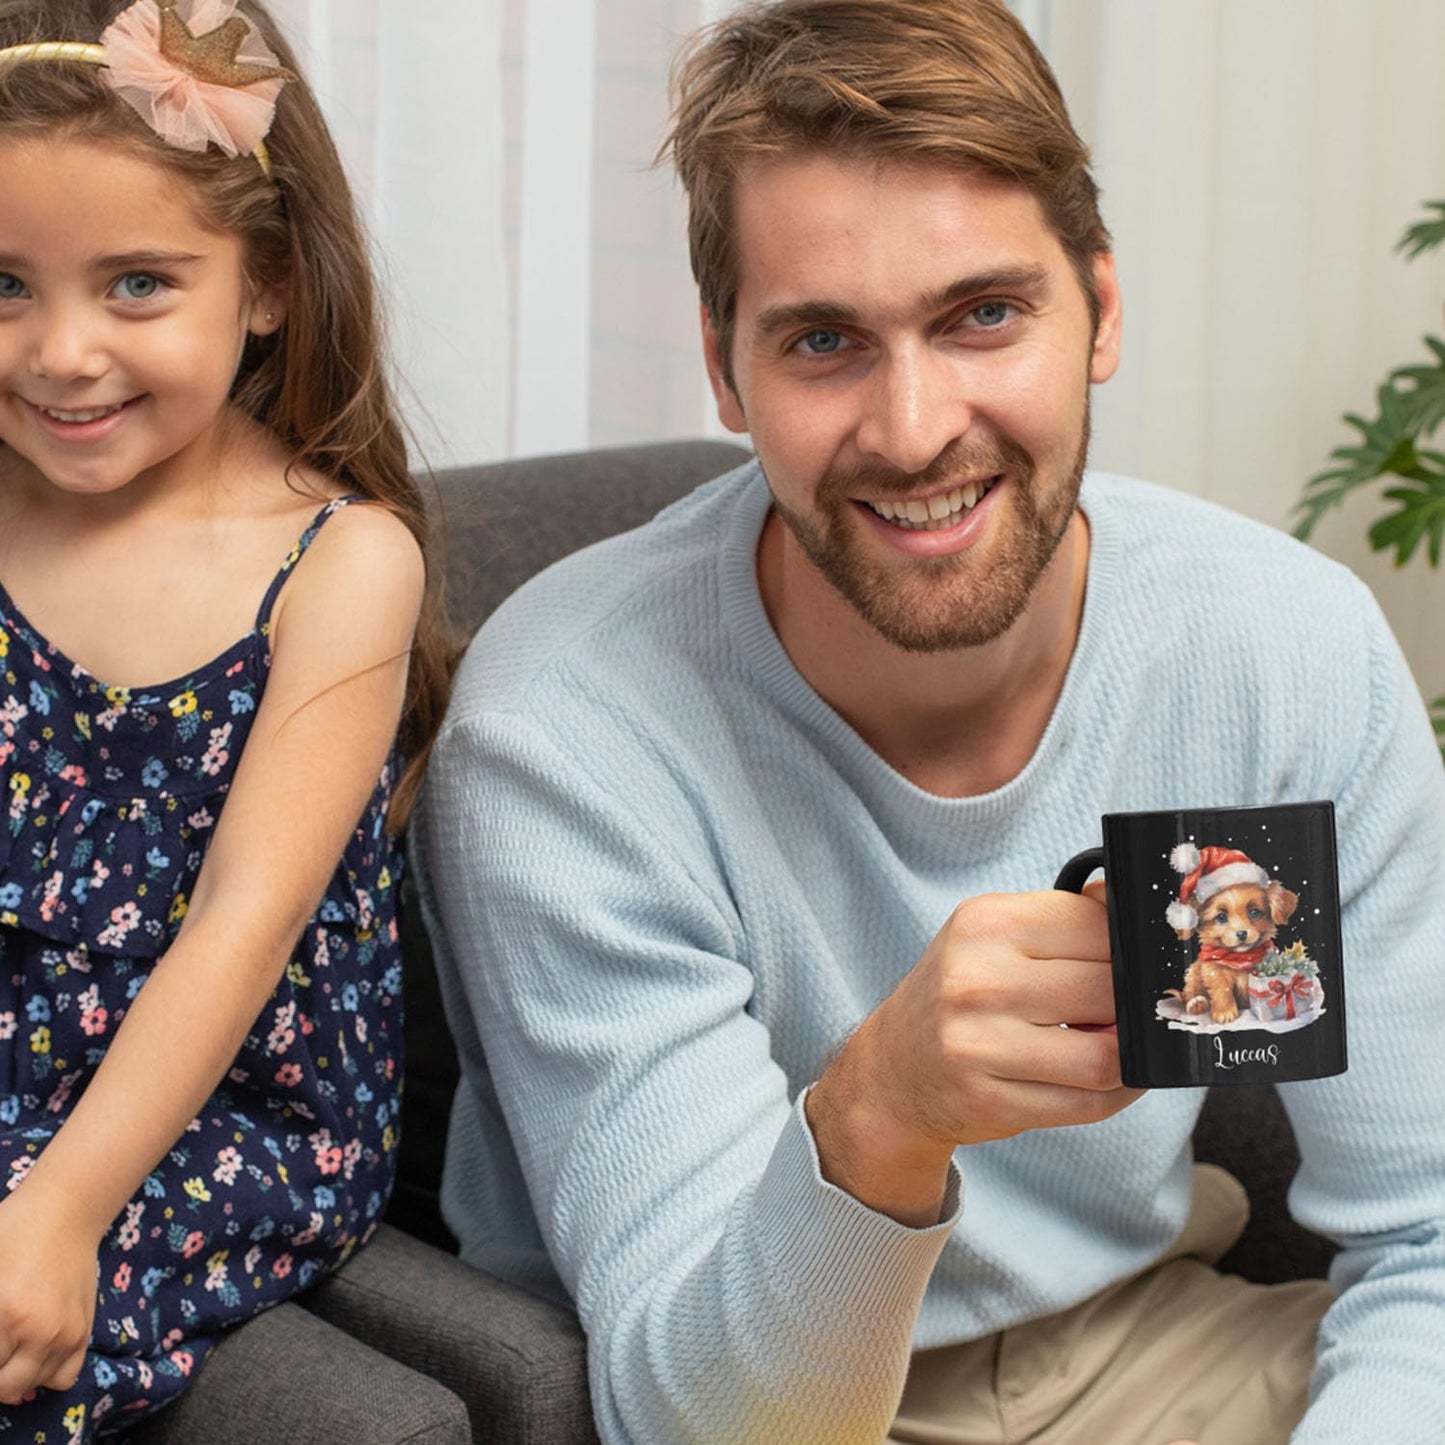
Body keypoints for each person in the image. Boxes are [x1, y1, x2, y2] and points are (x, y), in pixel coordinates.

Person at [413, 1, 1445, 1442]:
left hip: (1154, 1352)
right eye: (825, 339)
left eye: (982, 315)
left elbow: (1427, 1242)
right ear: (725, 368)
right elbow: (702, 1419)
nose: (911, 429)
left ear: (1100, 304)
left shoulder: (1277, 657)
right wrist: (877, 1118)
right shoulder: (566, 732)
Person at [0, 0, 452, 1436]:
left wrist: (61, 1205)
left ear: (261, 283)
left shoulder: (340, 561)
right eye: (3, 284)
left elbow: (244, 926)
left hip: (216, 1110)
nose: (61, 352)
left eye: (137, 284)